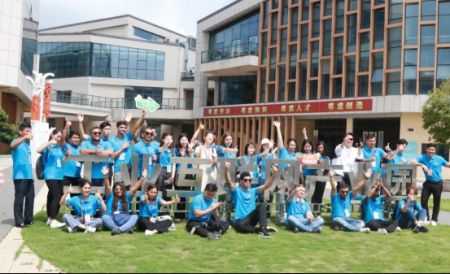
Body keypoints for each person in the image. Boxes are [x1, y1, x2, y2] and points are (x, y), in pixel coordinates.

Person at [225, 162, 279, 238]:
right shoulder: (237, 191)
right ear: (240, 181)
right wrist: (226, 170)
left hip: (250, 219)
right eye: (245, 180)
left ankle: (263, 230)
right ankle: (261, 230)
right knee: (239, 226)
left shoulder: (254, 191)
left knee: (262, 205)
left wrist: (274, 175)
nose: (248, 182)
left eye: (249, 180)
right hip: (240, 221)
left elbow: (267, 185)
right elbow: (229, 182)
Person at [411, 144, 450, 226]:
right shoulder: (422, 157)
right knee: (423, 201)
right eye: (430, 150)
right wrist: (421, 164)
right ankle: (426, 218)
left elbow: (447, 165)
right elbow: (412, 161)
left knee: (437, 201)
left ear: (435, 151)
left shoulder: (439, 158)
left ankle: (434, 219)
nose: (431, 151)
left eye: (433, 150)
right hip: (428, 183)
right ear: (426, 150)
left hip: (438, 183)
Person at [37, 129, 68, 229]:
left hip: (59, 175)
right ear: (52, 134)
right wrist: (50, 141)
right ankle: (54, 220)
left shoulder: (59, 147)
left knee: (52, 195)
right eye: (57, 136)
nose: (58, 138)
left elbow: (62, 161)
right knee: (57, 196)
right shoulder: (49, 146)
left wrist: (67, 155)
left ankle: (50, 218)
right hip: (50, 175)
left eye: (60, 137)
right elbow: (38, 150)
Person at [101, 167, 145, 235]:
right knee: (104, 217)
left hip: (124, 219)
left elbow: (134, 189)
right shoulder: (110, 196)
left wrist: (142, 178)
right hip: (112, 219)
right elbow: (107, 187)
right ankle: (124, 229)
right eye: (117, 189)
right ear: (114, 190)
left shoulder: (126, 196)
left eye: (121, 189)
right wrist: (106, 176)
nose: (119, 191)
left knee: (135, 217)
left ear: (123, 189)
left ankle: (119, 230)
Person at [329, 169, 371, 233]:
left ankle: (344, 227)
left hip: (347, 219)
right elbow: (334, 187)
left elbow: (357, 187)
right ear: (339, 191)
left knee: (361, 222)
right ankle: (358, 229)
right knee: (338, 221)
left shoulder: (349, 196)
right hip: (337, 219)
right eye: (343, 192)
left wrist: (365, 178)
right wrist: (331, 177)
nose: (345, 193)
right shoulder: (335, 197)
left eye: (346, 192)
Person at [11, 123, 34, 228]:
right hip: (19, 176)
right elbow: (12, 145)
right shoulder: (17, 141)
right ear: (20, 132)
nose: (29, 133)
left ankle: (28, 219)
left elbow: (28, 161)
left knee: (30, 197)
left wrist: (31, 175)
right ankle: (19, 221)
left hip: (29, 176)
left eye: (30, 131)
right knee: (19, 199)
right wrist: (24, 137)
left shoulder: (28, 144)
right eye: (26, 131)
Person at [109, 110, 147, 174]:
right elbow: (112, 156)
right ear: (117, 128)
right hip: (118, 169)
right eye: (121, 127)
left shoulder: (127, 137)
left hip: (129, 168)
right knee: (119, 184)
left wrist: (142, 115)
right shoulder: (111, 140)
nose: (123, 129)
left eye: (125, 128)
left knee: (129, 184)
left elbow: (135, 128)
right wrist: (122, 148)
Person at [155, 133, 176, 201]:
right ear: (163, 140)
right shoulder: (159, 149)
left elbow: (173, 164)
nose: (169, 141)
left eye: (171, 139)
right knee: (159, 188)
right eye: (167, 139)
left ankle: (166, 206)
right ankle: (159, 203)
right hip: (161, 170)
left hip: (169, 171)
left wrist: (172, 176)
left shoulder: (172, 151)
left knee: (168, 189)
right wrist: (164, 146)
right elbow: (158, 157)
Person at [62, 121, 83, 187]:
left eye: (78, 138)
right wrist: (66, 127)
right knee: (63, 194)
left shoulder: (81, 148)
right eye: (74, 138)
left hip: (77, 176)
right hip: (66, 175)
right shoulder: (67, 146)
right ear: (70, 139)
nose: (76, 139)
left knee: (76, 196)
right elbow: (62, 139)